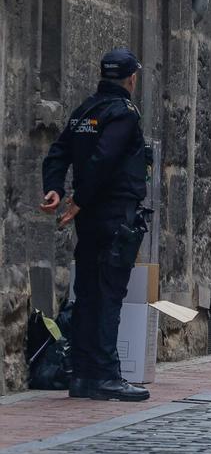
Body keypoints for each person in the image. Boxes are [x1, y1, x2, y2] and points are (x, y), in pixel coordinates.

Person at [41, 47, 151, 402]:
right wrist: (78, 199)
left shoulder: (84, 111)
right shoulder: (124, 114)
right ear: (131, 78)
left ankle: (83, 376)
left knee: (88, 292)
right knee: (108, 294)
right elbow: (105, 158)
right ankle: (105, 375)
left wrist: (55, 188)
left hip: (88, 218)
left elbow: (58, 151)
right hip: (114, 213)